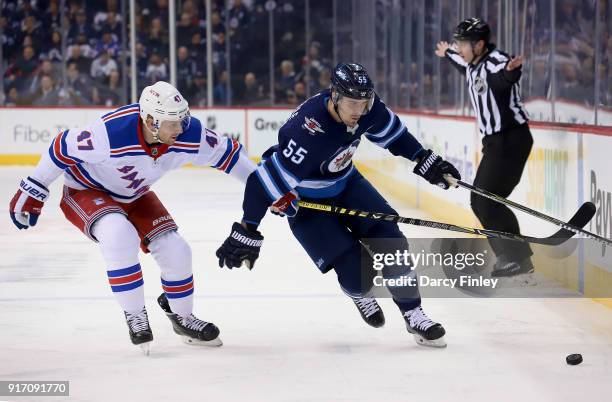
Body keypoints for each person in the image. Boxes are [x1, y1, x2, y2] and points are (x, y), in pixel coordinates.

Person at [215, 63, 461, 348]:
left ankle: (413, 314)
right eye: (352, 103)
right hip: (308, 206)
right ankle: (359, 292)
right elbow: (261, 184)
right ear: (335, 96)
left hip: (348, 184)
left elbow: (395, 136)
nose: (359, 109)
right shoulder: (308, 132)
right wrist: (248, 229)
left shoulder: (368, 108)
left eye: (364, 102)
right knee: (360, 273)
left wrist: (423, 159)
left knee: (392, 242)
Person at [9, 81, 255, 353]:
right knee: (118, 235)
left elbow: (230, 155)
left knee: (177, 251)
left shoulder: (188, 133)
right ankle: (135, 313)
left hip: (134, 195)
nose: (181, 128)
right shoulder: (111, 133)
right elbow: (61, 147)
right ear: (150, 120)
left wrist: (270, 190)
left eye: (183, 119)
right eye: (172, 123)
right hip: (85, 191)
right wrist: (33, 187)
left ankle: (183, 317)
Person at [435, 18, 534, 278]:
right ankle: (512, 257)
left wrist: (513, 72)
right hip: (494, 143)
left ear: (479, 45)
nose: (459, 49)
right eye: (457, 44)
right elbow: (458, 62)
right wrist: (446, 53)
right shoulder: (470, 63)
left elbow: (504, 77)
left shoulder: (496, 61)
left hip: (511, 140)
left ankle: (516, 258)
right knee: (481, 201)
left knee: (486, 201)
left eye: (462, 44)